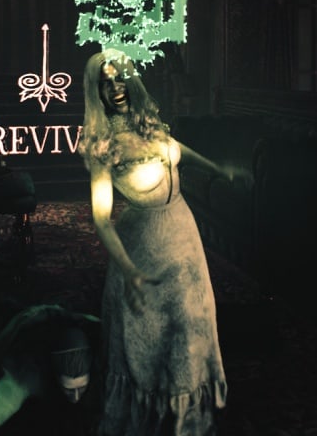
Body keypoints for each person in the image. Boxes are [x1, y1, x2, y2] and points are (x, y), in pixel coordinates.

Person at [77, 48, 238, 435]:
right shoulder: (103, 144)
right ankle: (151, 416)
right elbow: (100, 217)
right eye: (105, 82)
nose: (116, 87)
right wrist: (129, 270)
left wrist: (217, 168)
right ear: (96, 92)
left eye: (120, 78)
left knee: (190, 322)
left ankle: (189, 417)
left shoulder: (150, 124)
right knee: (148, 336)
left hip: (184, 236)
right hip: (143, 246)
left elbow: (178, 151)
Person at [0, 303, 102, 436]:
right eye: (69, 390)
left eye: (81, 388)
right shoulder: (24, 377)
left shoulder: (102, 351)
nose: (75, 398)